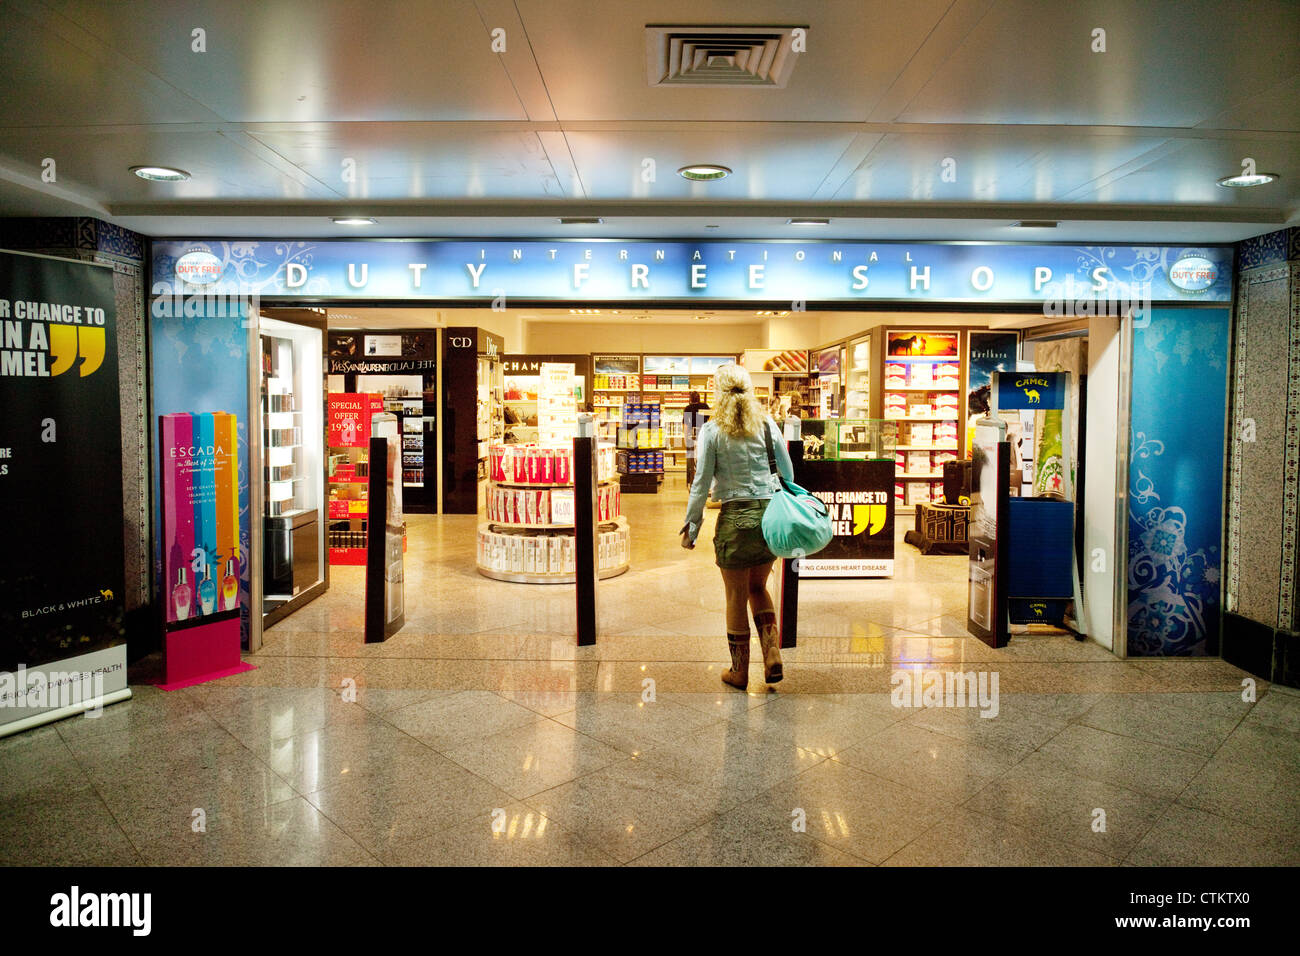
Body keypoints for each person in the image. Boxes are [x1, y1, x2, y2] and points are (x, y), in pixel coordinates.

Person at [680, 364, 795, 688]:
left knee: (735, 594)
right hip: (768, 517)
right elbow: (787, 473)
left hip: (734, 517)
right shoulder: (767, 425)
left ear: (718, 392)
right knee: (759, 588)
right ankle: (772, 652)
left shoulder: (713, 430)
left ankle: (739, 671)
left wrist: (692, 526)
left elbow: (701, 484)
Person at [681, 390, 710, 489]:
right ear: (699, 398)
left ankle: (690, 480)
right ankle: (704, 479)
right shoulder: (705, 406)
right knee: (703, 458)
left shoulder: (688, 408)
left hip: (691, 436)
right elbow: (709, 421)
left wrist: (685, 439)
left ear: (690, 399)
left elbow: (686, 426)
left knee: (690, 459)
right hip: (704, 435)